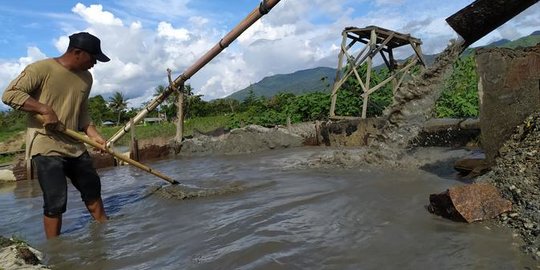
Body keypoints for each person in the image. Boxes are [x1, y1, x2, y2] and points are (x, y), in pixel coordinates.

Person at [2, 32, 110, 239]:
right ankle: (55, 250)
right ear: (77, 52)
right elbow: (10, 94)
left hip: (75, 145)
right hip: (45, 143)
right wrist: (44, 109)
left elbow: (82, 113)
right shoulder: (41, 69)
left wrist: (94, 135)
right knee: (55, 199)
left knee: (93, 189)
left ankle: (105, 232)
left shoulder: (86, 78)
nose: (95, 63)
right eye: (93, 58)